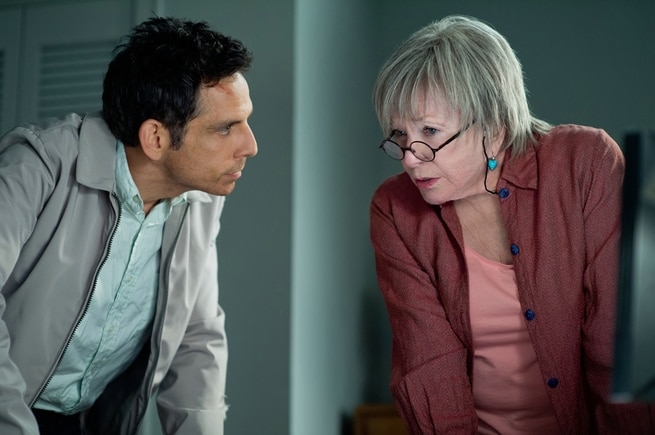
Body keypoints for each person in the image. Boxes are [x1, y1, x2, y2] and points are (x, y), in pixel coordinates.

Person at [369, 15, 654, 434]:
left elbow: (614, 345)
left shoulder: (585, 164)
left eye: (429, 131)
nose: (410, 157)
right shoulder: (394, 209)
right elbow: (427, 364)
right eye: (399, 134)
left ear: (494, 127)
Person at [0, 16, 256, 435]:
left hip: (81, 422)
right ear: (155, 138)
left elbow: (197, 335)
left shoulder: (200, 197)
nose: (251, 145)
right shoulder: (36, 165)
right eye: (225, 128)